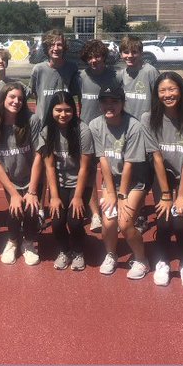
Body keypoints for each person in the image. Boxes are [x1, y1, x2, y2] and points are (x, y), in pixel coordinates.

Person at [141, 71, 183, 288]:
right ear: (156, 94)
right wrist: (167, 195)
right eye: (162, 90)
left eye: (172, 89)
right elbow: (157, 157)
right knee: (163, 219)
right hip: (163, 178)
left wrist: (181, 196)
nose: (168, 94)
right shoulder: (148, 119)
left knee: (180, 221)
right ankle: (162, 261)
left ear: (181, 90)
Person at [89, 86, 150, 278]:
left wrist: (121, 195)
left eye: (114, 101)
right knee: (108, 224)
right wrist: (110, 191)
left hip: (134, 183)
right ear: (99, 104)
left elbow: (130, 163)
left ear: (122, 103)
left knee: (124, 223)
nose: (109, 106)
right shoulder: (95, 125)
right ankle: (110, 254)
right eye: (105, 102)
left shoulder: (134, 126)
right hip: (111, 182)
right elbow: (103, 159)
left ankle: (142, 259)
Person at [0, 83, 43, 265]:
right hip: (11, 178)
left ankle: (28, 242)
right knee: (15, 210)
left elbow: (39, 154)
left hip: (32, 174)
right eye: (12, 97)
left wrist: (32, 191)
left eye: (20, 99)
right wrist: (14, 193)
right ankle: (13, 241)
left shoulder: (32, 120)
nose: (16, 101)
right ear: (3, 99)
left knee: (31, 210)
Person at [39, 90, 95, 271]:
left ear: (74, 110)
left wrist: (78, 197)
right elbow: (49, 167)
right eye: (58, 110)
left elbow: (85, 167)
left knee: (75, 221)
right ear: (52, 111)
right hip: (60, 183)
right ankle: (65, 250)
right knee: (56, 221)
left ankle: (78, 251)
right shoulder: (48, 131)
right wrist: (54, 197)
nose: (63, 115)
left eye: (67, 110)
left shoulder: (82, 130)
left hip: (80, 182)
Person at [77, 40, 114, 231]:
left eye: (97, 56)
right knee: (90, 173)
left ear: (104, 57)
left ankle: (112, 208)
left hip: (110, 130)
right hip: (87, 131)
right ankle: (95, 215)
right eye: (90, 57)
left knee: (111, 171)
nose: (94, 60)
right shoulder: (80, 77)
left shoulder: (115, 76)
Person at [29, 31, 81, 122]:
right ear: (46, 48)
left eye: (59, 44)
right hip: (43, 124)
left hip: (64, 123)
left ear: (64, 47)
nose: (55, 48)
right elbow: (32, 94)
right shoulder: (38, 69)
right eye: (52, 45)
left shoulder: (72, 68)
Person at [117, 35, 158, 121]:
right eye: (126, 52)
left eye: (134, 52)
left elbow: (159, 99)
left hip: (147, 124)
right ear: (121, 54)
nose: (130, 55)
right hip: (128, 124)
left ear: (141, 53)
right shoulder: (121, 74)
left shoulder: (150, 71)